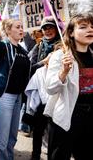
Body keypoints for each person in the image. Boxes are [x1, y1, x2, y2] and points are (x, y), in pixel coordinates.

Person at [0, 0, 31, 160]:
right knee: (1, 139)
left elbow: (27, 70)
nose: (21, 29)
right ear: (7, 30)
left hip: (18, 98)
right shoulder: (3, 47)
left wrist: (44, 62)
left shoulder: (22, 50)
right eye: (17, 27)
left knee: (12, 138)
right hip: (4, 96)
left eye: (22, 27)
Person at [44, 13, 93, 160]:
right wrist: (64, 71)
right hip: (67, 115)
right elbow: (50, 88)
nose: (90, 30)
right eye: (83, 27)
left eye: (92, 27)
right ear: (71, 33)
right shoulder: (60, 56)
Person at [28, 16, 61, 160]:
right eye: (45, 28)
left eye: (50, 27)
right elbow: (30, 68)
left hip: (58, 94)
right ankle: (35, 156)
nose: (47, 31)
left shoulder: (64, 45)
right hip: (41, 95)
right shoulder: (39, 46)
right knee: (38, 128)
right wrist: (44, 63)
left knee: (55, 130)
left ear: (56, 29)